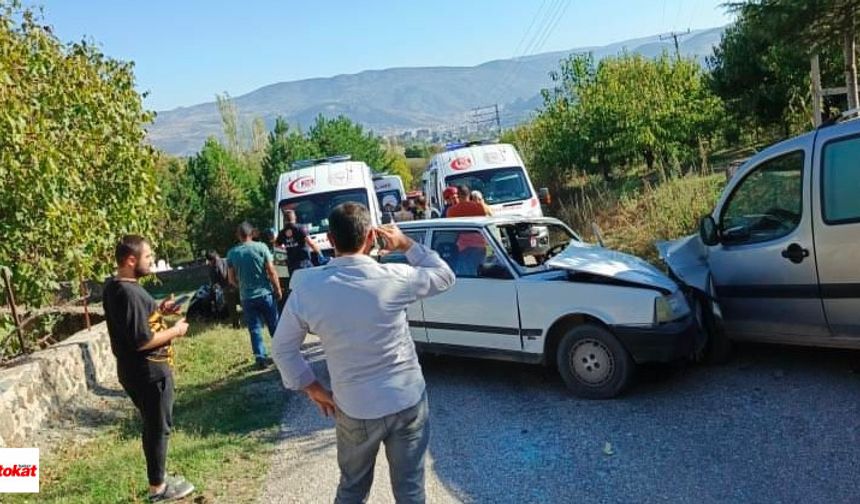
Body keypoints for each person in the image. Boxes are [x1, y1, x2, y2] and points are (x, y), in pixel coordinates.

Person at [272, 203, 455, 503]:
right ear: (371, 237)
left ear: (330, 240)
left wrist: (312, 387)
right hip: (406, 399)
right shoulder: (395, 277)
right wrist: (406, 243)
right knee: (410, 489)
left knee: (352, 490)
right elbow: (444, 276)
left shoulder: (308, 290)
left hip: (354, 406)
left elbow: (282, 348)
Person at [102, 235, 195, 502]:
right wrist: (176, 331)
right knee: (158, 427)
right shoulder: (128, 292)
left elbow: (135, 320)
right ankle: (159, 489)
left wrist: (159, 309)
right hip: (149, 372)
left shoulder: (116, 286)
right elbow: (142, 341)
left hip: (139, 371)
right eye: (148, 257)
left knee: (155, 425)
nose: (152, 262)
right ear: (131, 260)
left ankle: (160, 478)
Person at [227, 221, 283, 369]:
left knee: (254, 328)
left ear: (239, 235)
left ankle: (260, 358)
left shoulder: (232, 253)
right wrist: (277, 288)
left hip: (246, 297)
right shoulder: (262, 247)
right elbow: (271, 271)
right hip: (265, 294)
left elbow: (231, 279)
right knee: (274, 324)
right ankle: (282, 354)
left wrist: (241, 286)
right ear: (251, 233)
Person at [276, 208, 322, 281]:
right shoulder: (300, 228)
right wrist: (319, 254)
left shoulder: (282, 232)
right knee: (311, 282)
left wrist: (285, 250)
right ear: (295, 217)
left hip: (291, 264)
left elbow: (277, 245)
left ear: (284, 219)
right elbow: (310, 243)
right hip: (304, 262)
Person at [205, 250, 240, 328]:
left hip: (235, 286)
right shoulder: (214, 267)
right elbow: (214, 282)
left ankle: (238, 323)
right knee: (232, 308)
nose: (216, 260)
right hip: (229, 288)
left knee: (237, 306)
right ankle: (236, 324)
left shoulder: (227, 261)